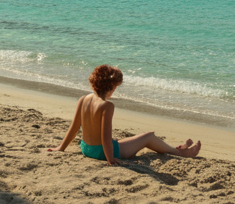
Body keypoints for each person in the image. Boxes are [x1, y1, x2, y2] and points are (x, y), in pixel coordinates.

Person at [48, 65, 201, 164]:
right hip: (102, 152)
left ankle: (176, 149)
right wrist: (111, 159)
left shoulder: (84, 99)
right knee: (148, 136)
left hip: (86, 148)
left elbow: (74, 127)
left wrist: (61, 148)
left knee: (127, 140)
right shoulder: (107, 106)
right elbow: (105, 138)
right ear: (111, 87)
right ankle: (181, 153)